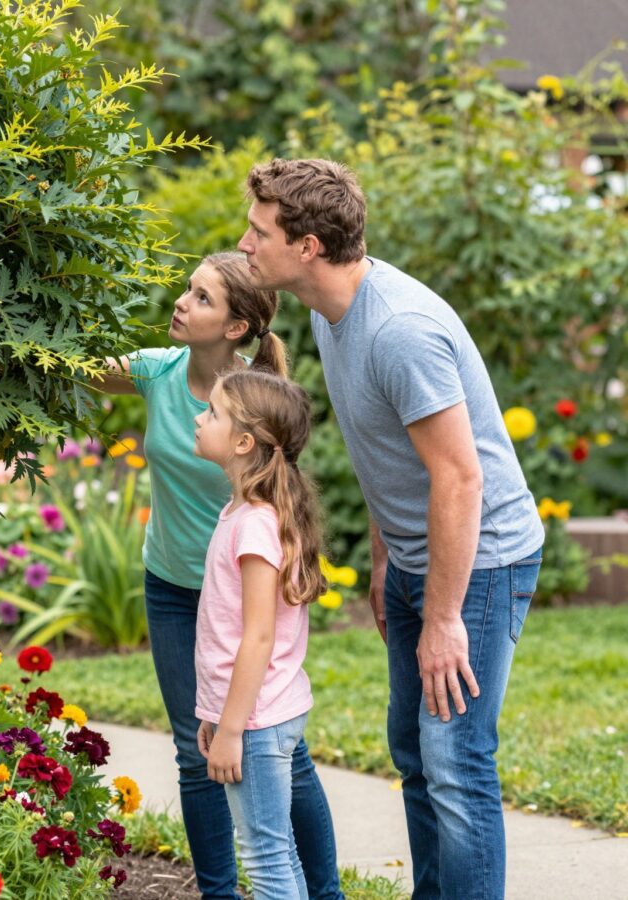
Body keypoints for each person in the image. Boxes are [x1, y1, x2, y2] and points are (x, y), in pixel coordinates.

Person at [238, 158, 544, 900]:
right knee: (414, 751)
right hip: (416, 557)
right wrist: (384, 565)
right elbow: (390, 457)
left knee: (456, 762)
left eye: (259, 230)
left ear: (307, 245)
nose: (245, 243)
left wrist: (443, 617)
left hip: (481, 563)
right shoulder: (330, 311)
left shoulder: (399, 330)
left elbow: (459, 477)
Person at [96, 252, 343, 900]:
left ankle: (323, 892)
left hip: (242, 593)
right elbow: (75, 367)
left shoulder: (251, 405)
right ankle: (219, 893)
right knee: (195, 748)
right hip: (174, 586)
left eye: (201, 298)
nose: (181, 303)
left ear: (236, 326)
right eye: (187, 290)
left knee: (279, 754)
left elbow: (275, 508)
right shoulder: (157, 371)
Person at [193, 369, 329, 900]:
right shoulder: (244, 512)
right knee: (278, 853)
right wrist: (215, 714)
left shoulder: (253, 523)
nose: (201, 420)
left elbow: (257, 638)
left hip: (255, 721)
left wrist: (231, 730)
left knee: (265, 856)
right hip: (258, 713)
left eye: (213, 414)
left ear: (244, 442)